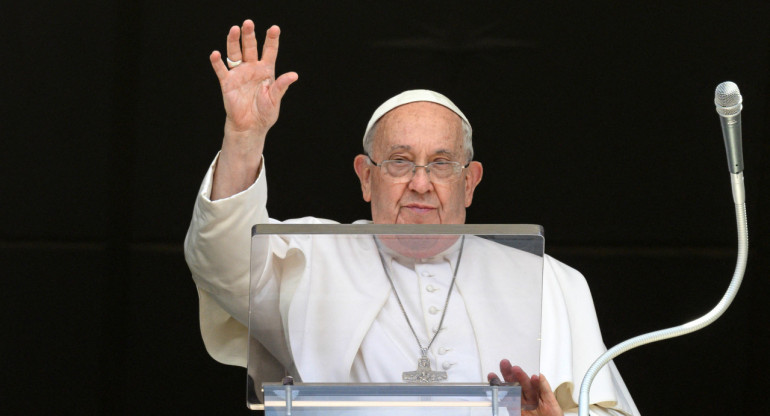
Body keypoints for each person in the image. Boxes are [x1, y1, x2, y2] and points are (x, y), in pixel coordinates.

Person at [184, 19, 640, 416]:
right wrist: (244, 137)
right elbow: (220, 262)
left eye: (442, 164)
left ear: (471, 182)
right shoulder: (309, 257)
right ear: (366, 178)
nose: (421, 183)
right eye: (400, 161)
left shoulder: (550, 283)